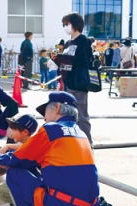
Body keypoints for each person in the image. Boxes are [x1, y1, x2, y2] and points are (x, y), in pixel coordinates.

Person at [0, 92, 111, 206]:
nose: (45, 118)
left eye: (46, 111)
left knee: (15, 173)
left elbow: (17, 160)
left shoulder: (51, 129)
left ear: (57, 107)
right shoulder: (81, 133)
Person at [53, 12, 94, 145]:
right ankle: (73, 143)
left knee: (81, 116)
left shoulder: (83, 41)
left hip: (78, 84)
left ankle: (87, 144)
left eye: (67, 24)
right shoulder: (68, 43)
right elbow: (66, 64)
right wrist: (57, 59)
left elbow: (83, 62)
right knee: (67, 115)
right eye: (64, 24)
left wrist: (64, 59)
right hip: (67, 83)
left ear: (75, 24)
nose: (65, 27)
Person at [0, 114, 38, 206]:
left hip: (35, 187)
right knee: (1, 190)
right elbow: (8, 163)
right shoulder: (17, 145)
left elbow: (15, 157)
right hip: (26, 185)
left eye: (13, 129)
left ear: (25, 132)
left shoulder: (33, 146)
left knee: (14, 183)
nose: (10, 132)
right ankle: (23, 205)